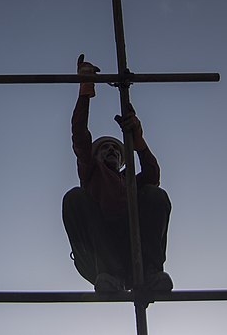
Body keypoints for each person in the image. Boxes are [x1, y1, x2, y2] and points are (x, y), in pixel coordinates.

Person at [62, 54, 173, 292]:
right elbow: (80, 136)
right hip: (98, 256)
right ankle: (109, 275)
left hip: (132, 252)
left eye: (116, 149)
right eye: (104, 148)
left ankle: (150, 273)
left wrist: (139, 141)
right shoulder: (92, 171)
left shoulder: (130, 182)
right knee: (74, 198)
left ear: (124, 160)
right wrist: (85, 89)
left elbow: (153, 175)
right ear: (96, 155)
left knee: (155, 194)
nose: (111, 150)